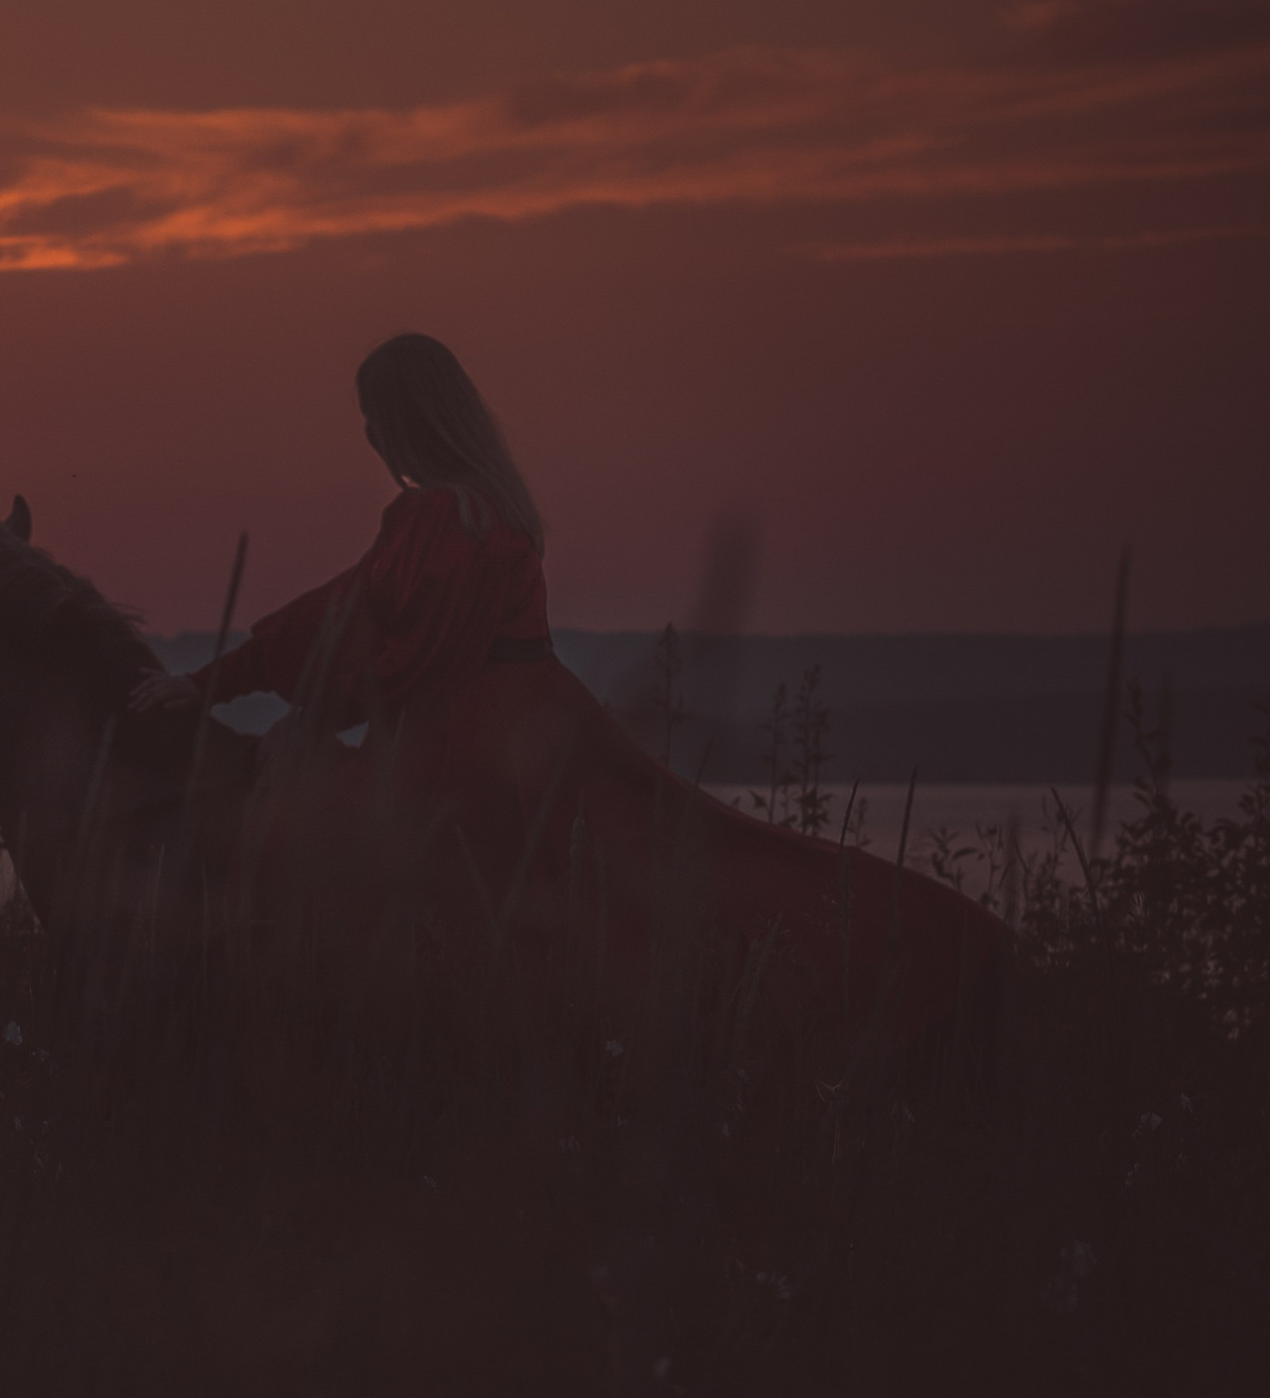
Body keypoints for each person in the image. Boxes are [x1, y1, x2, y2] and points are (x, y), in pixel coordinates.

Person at [129, 333, 1003, 1042]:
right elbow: (356, 619)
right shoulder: (496, 509)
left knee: (306, 843)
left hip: (469, 751)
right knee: (668, 872)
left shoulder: (434, 517)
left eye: (374, 418)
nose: (369, 437)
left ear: (408, 420)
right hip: (545, 728)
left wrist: (253, 701)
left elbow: (362, 633)